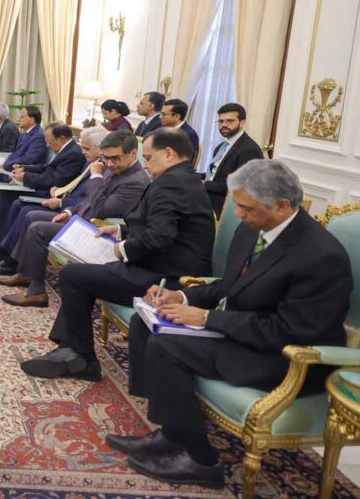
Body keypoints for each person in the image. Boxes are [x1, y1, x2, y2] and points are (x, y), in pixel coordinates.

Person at [110, 160, 351, 489]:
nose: (238, 215)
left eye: (245, 208)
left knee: (167, 345)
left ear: (282, 206)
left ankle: (201, 460)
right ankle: (171, 432)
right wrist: (181, 297)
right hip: (246, 331)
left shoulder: (320, 256)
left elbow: (289, 330)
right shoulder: (255, 227)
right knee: (146, 322)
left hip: (285, 356)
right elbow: (231, 285)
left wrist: (209, 318)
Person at [20, 128, 215, 381]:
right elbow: (165, 227)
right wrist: (122, 230)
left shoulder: (172, 183)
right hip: (160, 265)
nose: (145, 164)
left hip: (165, 276)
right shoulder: (181, 178)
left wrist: (120, 249)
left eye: (148, 157)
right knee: (77, 274)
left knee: (73, 275)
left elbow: (159, 237)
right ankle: (70, 350)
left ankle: (81, 358)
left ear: (168, 154)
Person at [0, 131, 150, 306]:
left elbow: (100, 209)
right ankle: (25, 273)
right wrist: (69, 212)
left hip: (96, 231)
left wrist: (96, 176)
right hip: (80, 220)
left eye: (115, 158)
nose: (110, 163)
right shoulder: (117, 168)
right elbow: (88, 201)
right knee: (31, 215)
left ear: (133, 153)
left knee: (38, 229)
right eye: (106, 158)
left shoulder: (134, 181)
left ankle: (36, 292)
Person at [0, 126, 109, 262]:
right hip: (59, 194)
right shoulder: (90, 161)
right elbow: (51, 170)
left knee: (23, 208)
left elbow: (60, 181)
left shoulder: (86, 160)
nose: (83, 151)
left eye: (86, 148)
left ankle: (8, 256)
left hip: (62, 201)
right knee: (8, 196)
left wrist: (62, 200)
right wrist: (27, 171)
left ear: (101, 148)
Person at [0, 123, 84, 233]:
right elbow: (47, 168)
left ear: (61, 138)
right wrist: (25, 169)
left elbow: (54, 179)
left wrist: (26, 177)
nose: (47, 146)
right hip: (45, 187)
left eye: (49, 142)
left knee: (10, 198)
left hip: (50, 192)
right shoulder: (66, 149)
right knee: (4, 193)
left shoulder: (73, 154)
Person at [204, 103, 264, 216]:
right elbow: (214, 174)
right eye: (221, 121)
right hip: (208, 196)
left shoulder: (249, 150)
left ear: (242, 123)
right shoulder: (222, 146)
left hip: (225, 206)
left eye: (229, 121)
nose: (224, 125)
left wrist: (205, 184)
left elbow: (240, 187)